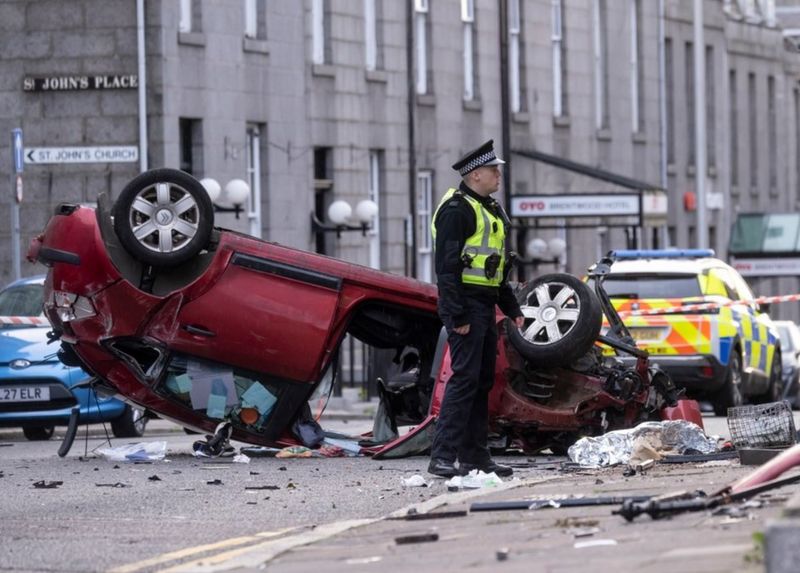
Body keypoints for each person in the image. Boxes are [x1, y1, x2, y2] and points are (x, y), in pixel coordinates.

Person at [428, 139, 524, 478]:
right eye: (493, 170)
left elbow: (495, 268)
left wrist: (512, 308)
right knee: (464, 379)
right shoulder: (457, 211)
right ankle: (442, 455)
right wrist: (457, 316)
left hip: (484, 303)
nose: (499, 175)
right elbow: (447, 268)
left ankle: (475, 458)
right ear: (475, 175)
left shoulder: (489, 209)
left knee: (482, 380)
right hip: (465, 305)